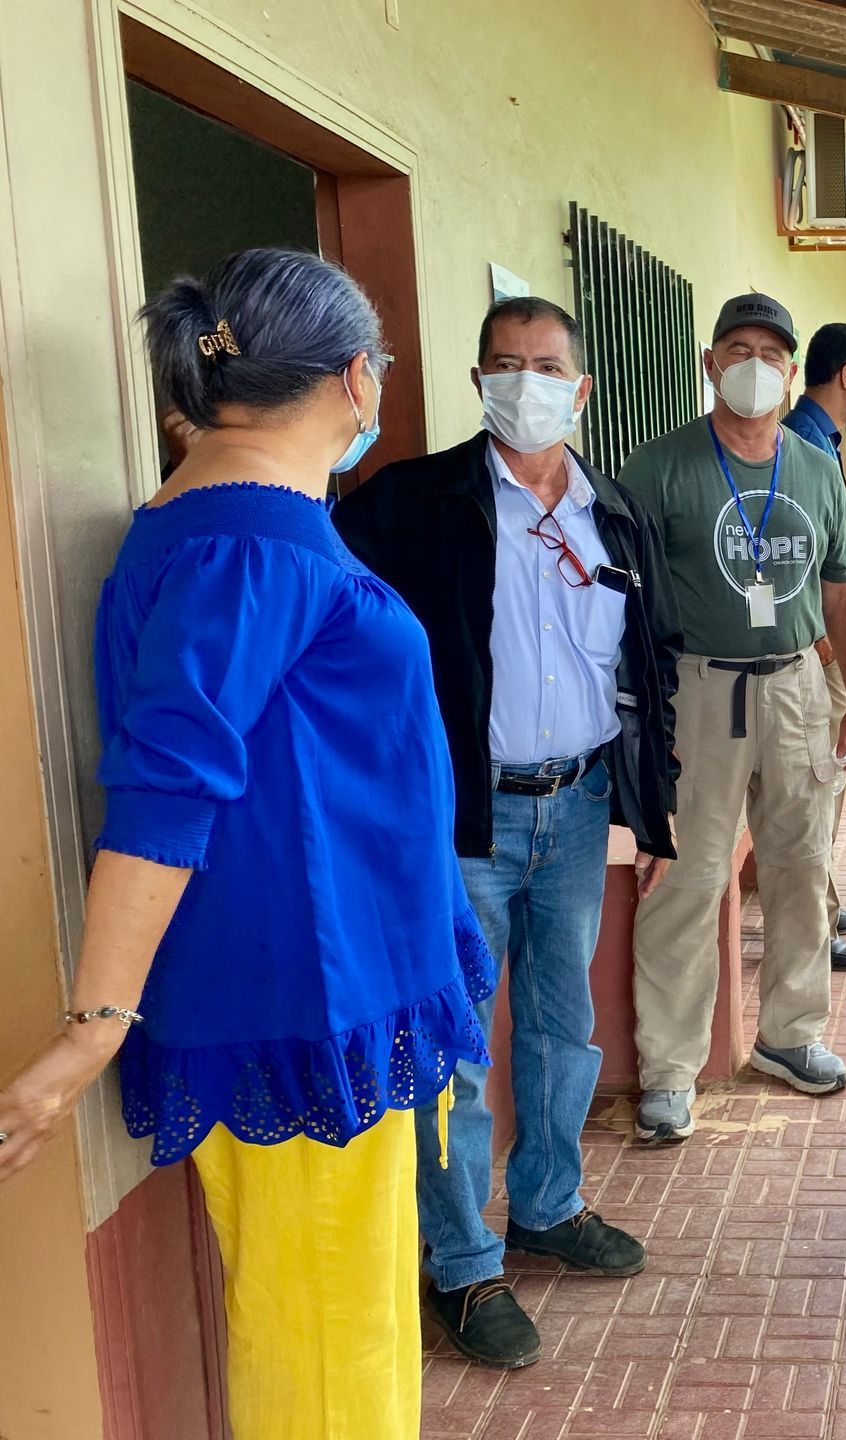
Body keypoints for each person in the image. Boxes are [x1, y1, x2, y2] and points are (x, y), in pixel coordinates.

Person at [0, 249, 492, 1438]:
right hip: (305, 996)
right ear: (357, 377)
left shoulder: (237, 523)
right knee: (326, 1341)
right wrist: (90, 1029)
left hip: (334, 984)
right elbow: (166, 790)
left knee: (338, 1316)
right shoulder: (249, 543)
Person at [333, 295, 680, 1369]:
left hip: (575, 805)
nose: (525, 383)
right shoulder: (411, 503)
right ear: (479, 380)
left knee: (562, 1023)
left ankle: (548, 1205)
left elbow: (648, 669)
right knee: (455, 1045)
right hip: (460, 817)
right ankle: (462, 1260)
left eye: (546, 366)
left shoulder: (614, 513)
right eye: (504, 364)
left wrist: (649, 807)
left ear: (581, 390)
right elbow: (339, 644)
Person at [619, 293, 846, 1144]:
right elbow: (620, 603)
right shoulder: (658, 469)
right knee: (689, 879)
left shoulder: (815, 467)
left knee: (802, 867)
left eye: (771, 353)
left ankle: (789, 1035)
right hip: (700, 690)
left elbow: (844, 590)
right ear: (710, 363)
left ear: (792, 373)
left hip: (799, 684)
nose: (755, 366)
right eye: (738, 349)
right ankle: (669, 1070)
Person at [783, 321, 846, 970]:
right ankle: (814, 926)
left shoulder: (821, 440)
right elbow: (795, 564)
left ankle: (826, 902)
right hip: (819, 649)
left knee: (831, 782)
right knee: (817, 786)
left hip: (832, 645)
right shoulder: (800, 445)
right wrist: (825, 645)